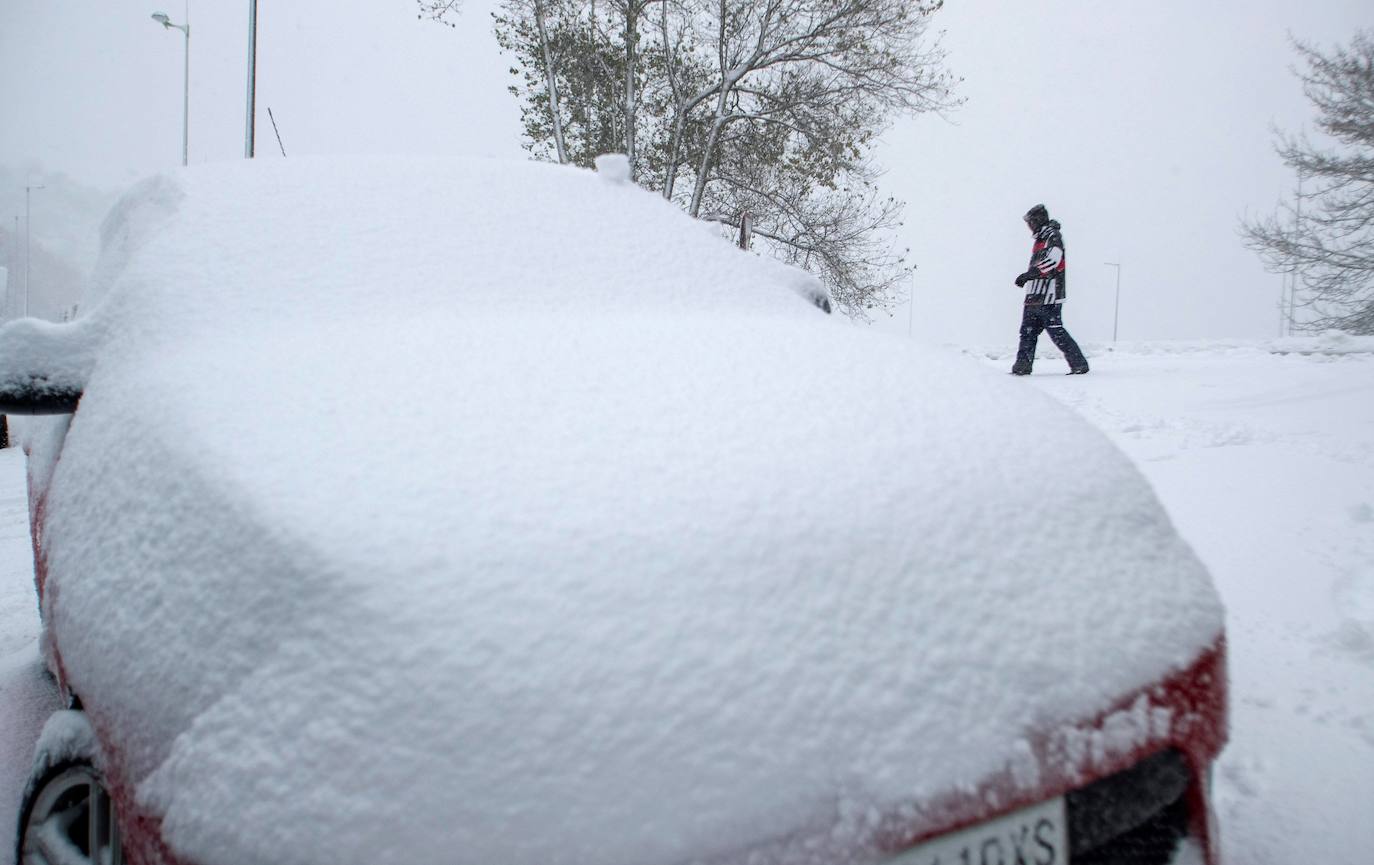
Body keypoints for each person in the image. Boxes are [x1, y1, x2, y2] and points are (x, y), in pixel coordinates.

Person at [1011, 204, 1089, 375]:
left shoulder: (1053, 236)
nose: (1029, 226)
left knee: (1056, 331)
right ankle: (1022, 366)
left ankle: (1079, 364)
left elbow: (1053, 261)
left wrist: (1029, 275)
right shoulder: (1040, 239)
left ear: (1038, 220)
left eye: (1030, 222)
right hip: (1034, 296)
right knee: (1027, 333)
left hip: (1049, 296)